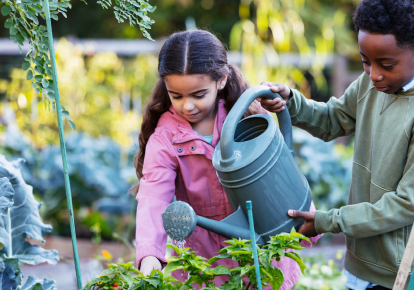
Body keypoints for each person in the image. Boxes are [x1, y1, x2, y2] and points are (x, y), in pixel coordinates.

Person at [258, 0, 414, 289]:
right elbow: (333, 120)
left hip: (410, 272)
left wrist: (329, 221)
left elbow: (411, 203)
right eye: (366, 61)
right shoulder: (372, 84)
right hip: (363, 263)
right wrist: (291, 102)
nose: (374, 74)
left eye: (386, 65)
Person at [132, 29, 318, 289]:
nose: (187, 106)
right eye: (177, 96)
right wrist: (150, 253)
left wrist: (306, 216)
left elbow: (279, 170)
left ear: (221, 80)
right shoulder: (166, 140)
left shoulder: (245, 116)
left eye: (198, 94)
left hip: (261, 251)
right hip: (205, 260)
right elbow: (153, 197)